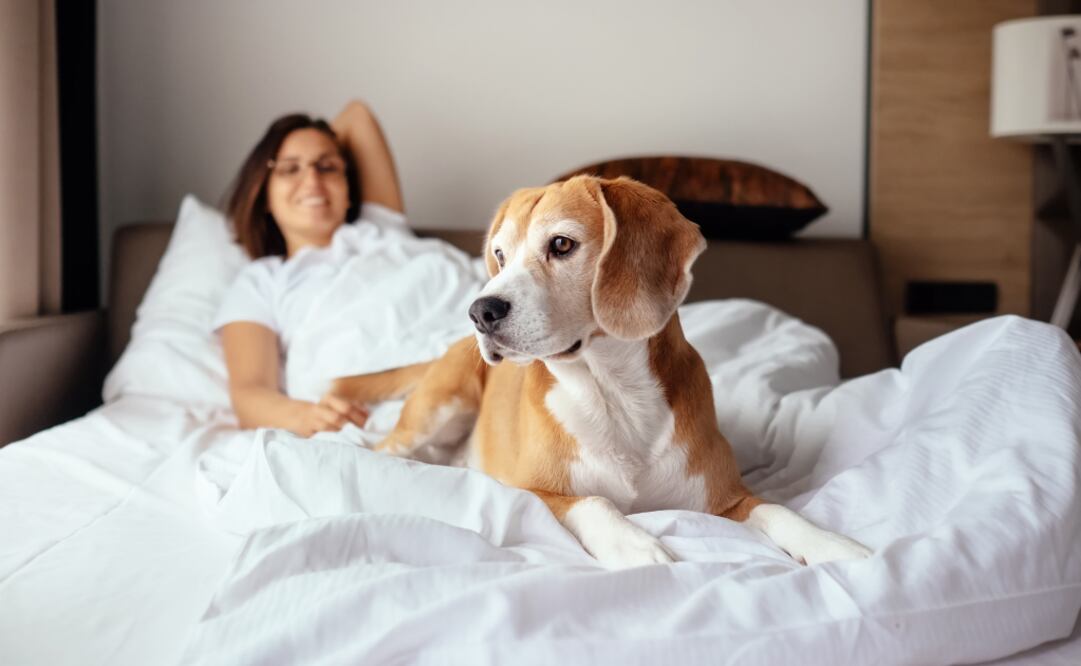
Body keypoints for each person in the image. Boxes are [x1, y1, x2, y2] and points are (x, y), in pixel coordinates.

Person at [214, 100, 404, 437]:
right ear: (265, 196)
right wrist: (308, 417)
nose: (312, 179)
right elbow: (249, 393)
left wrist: (309, 142)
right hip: (371, 407)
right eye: (290, 170)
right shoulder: (262, 280)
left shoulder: (382, 231)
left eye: (327, 167)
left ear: (348, 191)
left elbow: (357, 115)